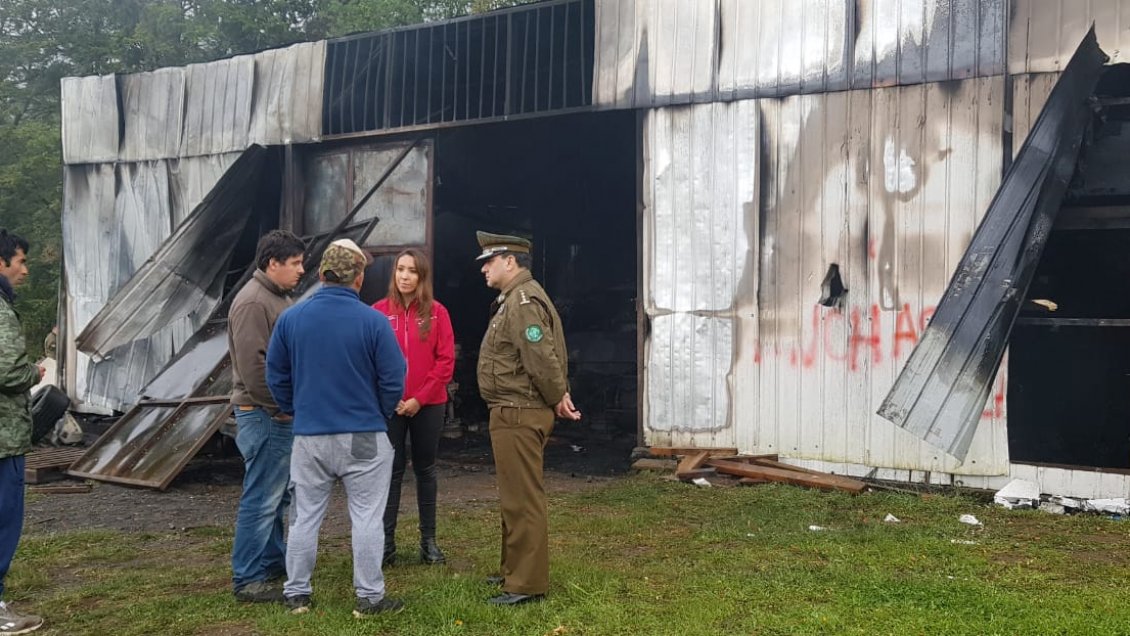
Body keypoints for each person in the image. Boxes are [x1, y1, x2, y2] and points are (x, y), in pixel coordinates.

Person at [267, 238, 407, 618]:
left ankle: (297, 593)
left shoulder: (291, 319)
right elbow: (395, 377)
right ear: (359, 278)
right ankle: (370, 597)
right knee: (365, 516)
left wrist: (294, 408)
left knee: (304, 515)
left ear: (321, 273)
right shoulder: (374, 321)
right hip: (363, 433)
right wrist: (378, 413)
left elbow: (275, 373)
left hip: (310, 435)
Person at [474, 231, 581, 606]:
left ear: (510, 261)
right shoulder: (514, 299)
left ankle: (525, 584)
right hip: (511, 410)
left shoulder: (522, 300)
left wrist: (558, 397)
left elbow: (540, 356)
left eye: (490, 261)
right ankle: (513, 571)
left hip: (519, 411)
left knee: (523, 499)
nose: (484, 268)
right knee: (513, 497)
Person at [227, 229, 306, 603]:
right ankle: (248, 578)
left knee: (278, 496)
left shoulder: (278, 297)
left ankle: (273, 561)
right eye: (294, 263)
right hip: (264, 414)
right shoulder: (253, 303)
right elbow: (254, 368)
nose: (301, 270)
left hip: (273, 413)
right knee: (261, 496)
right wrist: (281, 409)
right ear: (272, 263)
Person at [372, 249, 455, 567]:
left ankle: (428, 542)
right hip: (391, 406)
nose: (404, 276)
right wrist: (389, 396)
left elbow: (445, 362)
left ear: (422, 277)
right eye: (400, 269)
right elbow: (370, 359)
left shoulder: (437, 313)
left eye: (412, 271)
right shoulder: (378, 312)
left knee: (425, 469)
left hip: (428, 405)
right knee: (390, 473)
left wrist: (420, 398)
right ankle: (386, 544)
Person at [0, 229, 44, 634]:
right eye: (20, 261)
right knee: (4, 520)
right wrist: (38, 370)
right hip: (3, 439)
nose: (25, 270)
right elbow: (9, 371)